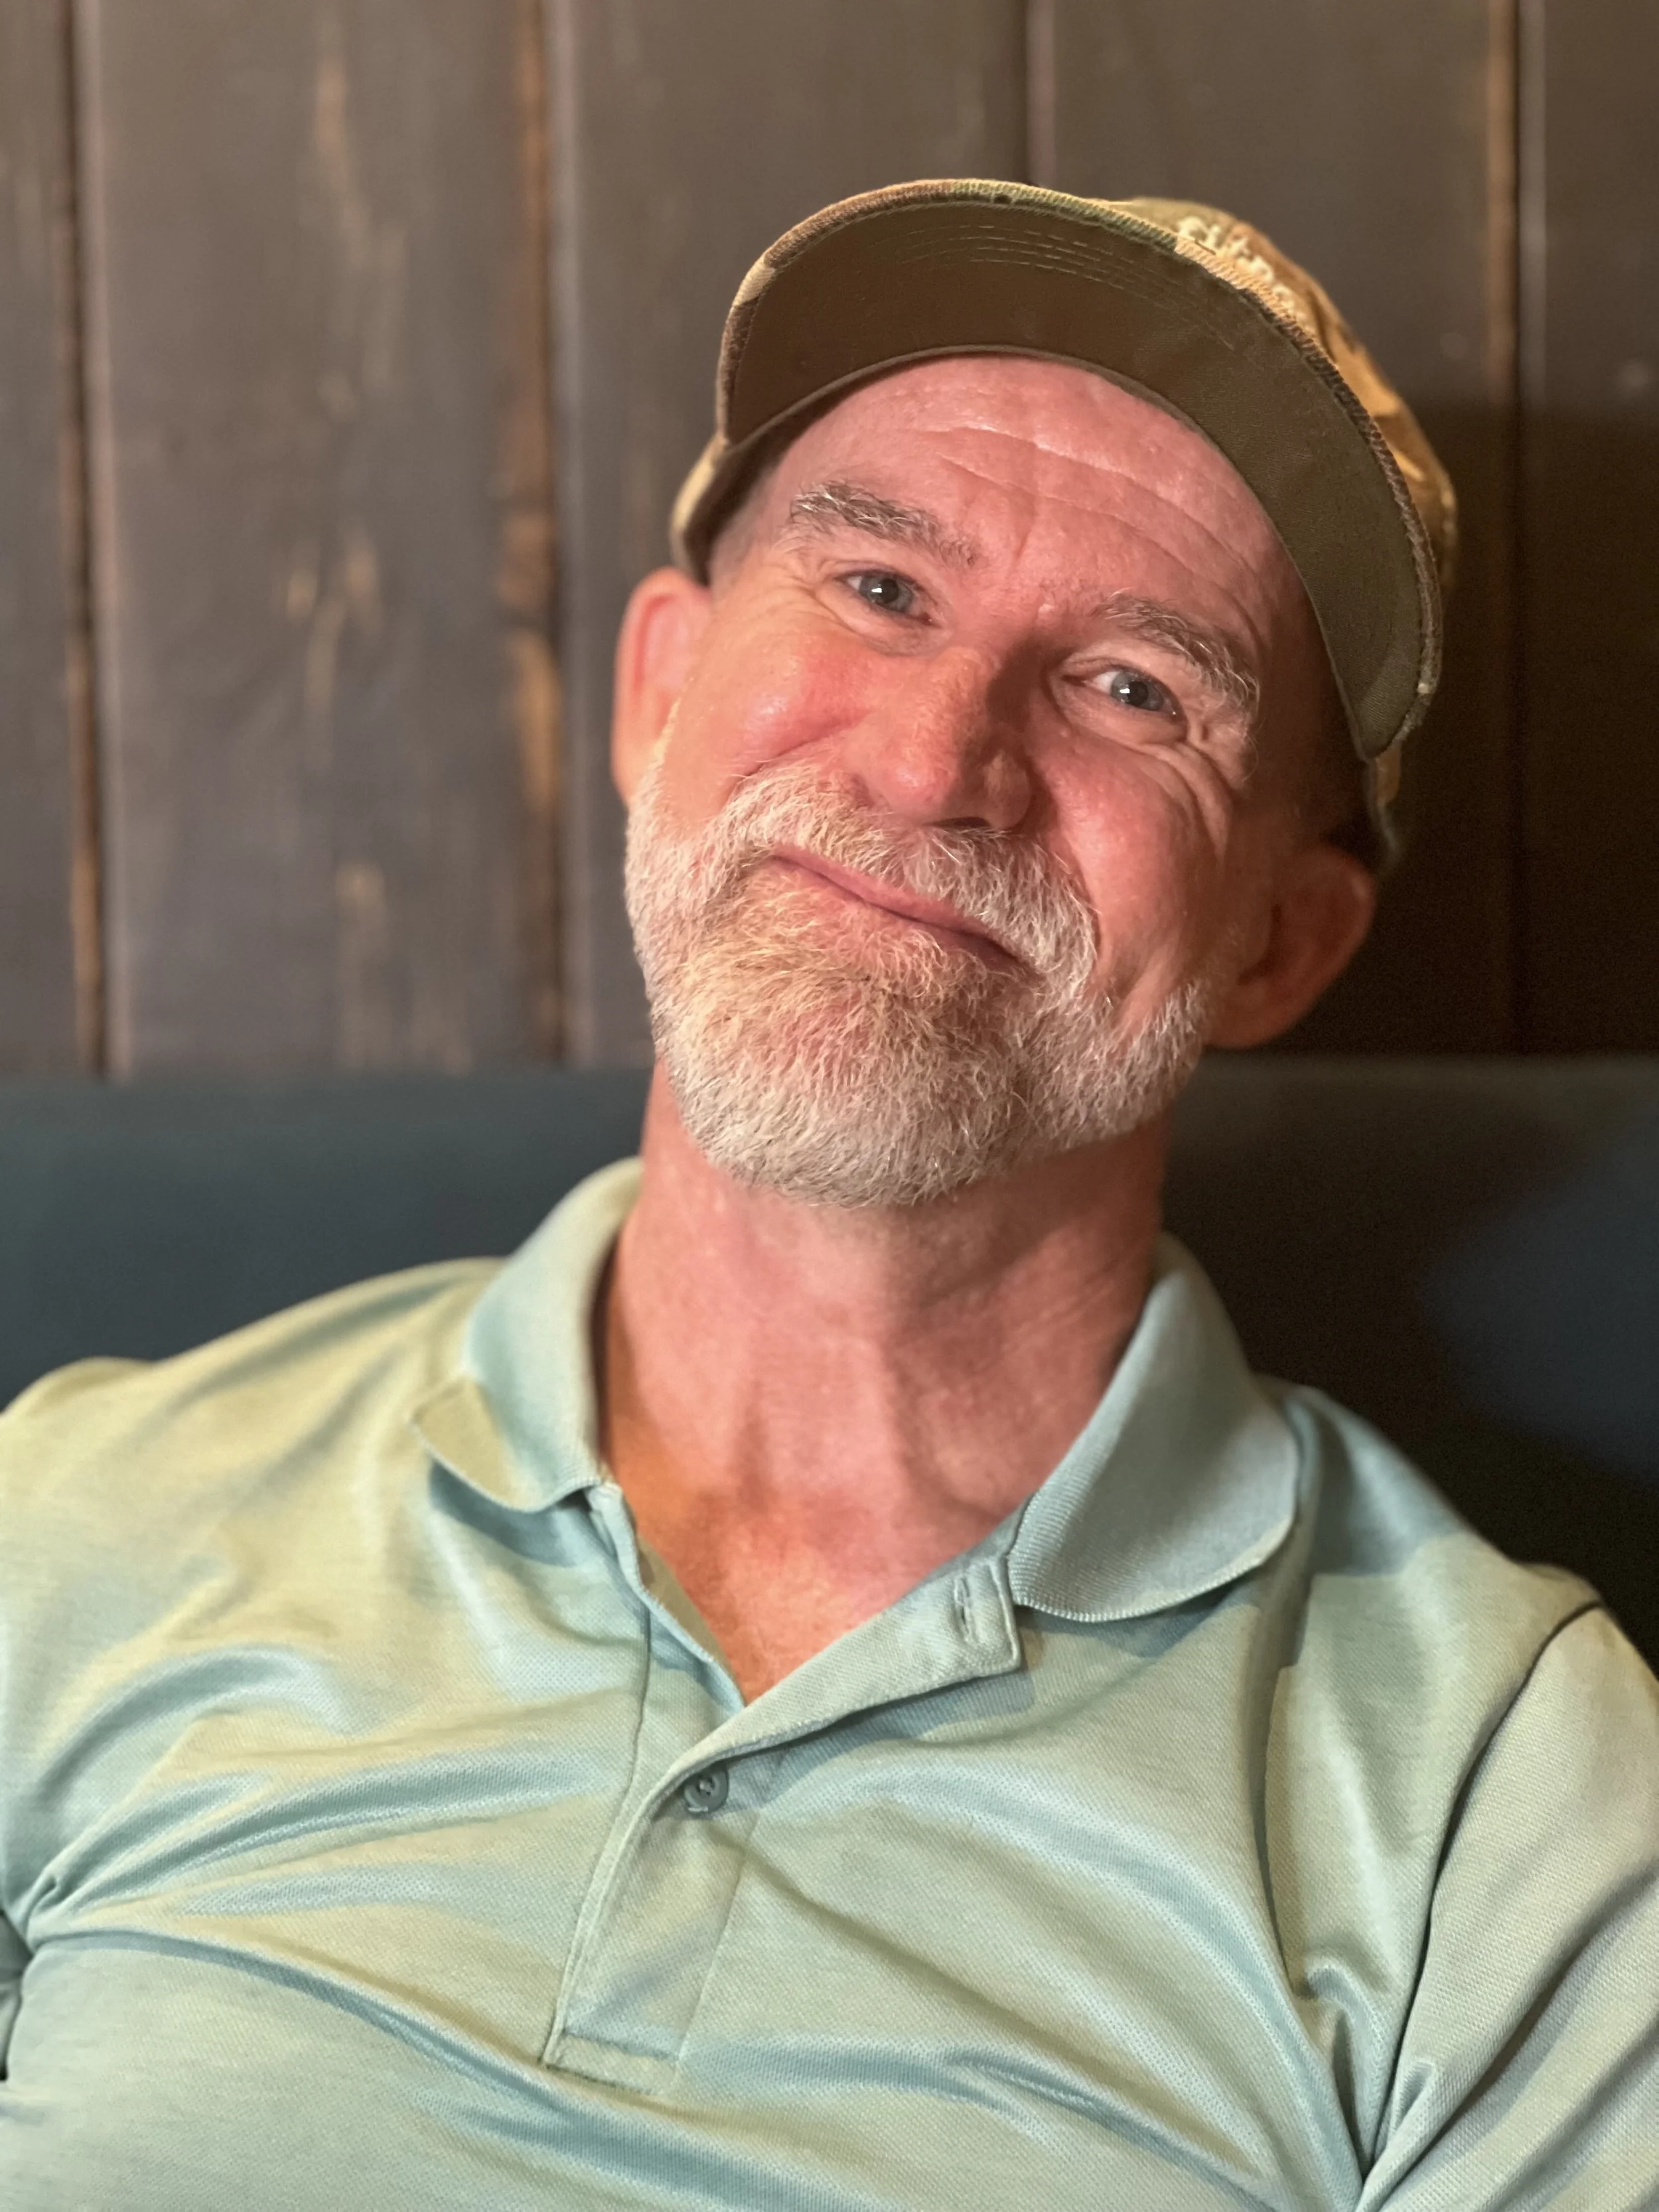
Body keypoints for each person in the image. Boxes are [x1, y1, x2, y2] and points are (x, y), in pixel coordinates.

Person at [1, 181, 1654, 2211]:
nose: (936, 753)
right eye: (876, 583)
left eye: (1138, 687)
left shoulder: (1517, 1796)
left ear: (1278, 948)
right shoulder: (71, 1529)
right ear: (655, 691)